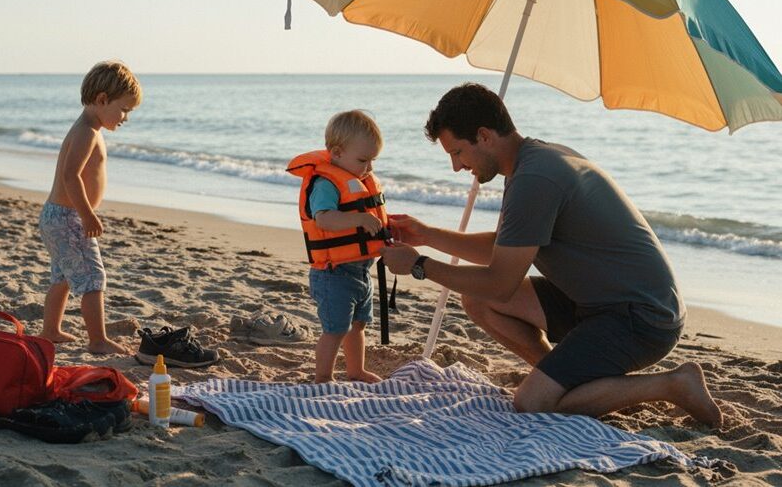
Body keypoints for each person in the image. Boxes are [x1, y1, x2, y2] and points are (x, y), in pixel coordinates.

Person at [380, 83, 723, 427]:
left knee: (532, 404)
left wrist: (419, 266)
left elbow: (500, 283)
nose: (457, 166)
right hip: (596, 300)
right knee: (477, 300)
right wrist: (427, 235)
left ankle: (673, 384)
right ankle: (581, 383)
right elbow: (507, 244)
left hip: (641, 317)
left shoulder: (535, 178)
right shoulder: (531, 161)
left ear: (483, 136)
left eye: (457, 152)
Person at [37, 60, 141, 354]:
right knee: (94, 278)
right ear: (102, 100)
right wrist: (86, 213)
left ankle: (50, 330)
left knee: (63, 277)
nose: (125, 117)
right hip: (69, 217)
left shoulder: (87, 128)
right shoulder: (87, 132)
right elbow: (71, 175)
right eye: (124, 109)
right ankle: (97, 340)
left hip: (56, 215)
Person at [287, 110, 387, 384]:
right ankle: (323, 377)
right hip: (333, 273)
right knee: (335, 329)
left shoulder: (357, 177)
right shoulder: (326, 184)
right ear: (337, 153)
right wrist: (359, 219)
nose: (368, 168)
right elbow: (324, 218)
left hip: (360, 271)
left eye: (373, 161)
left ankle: (355, 371)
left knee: (358, 325)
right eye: (363, 160)